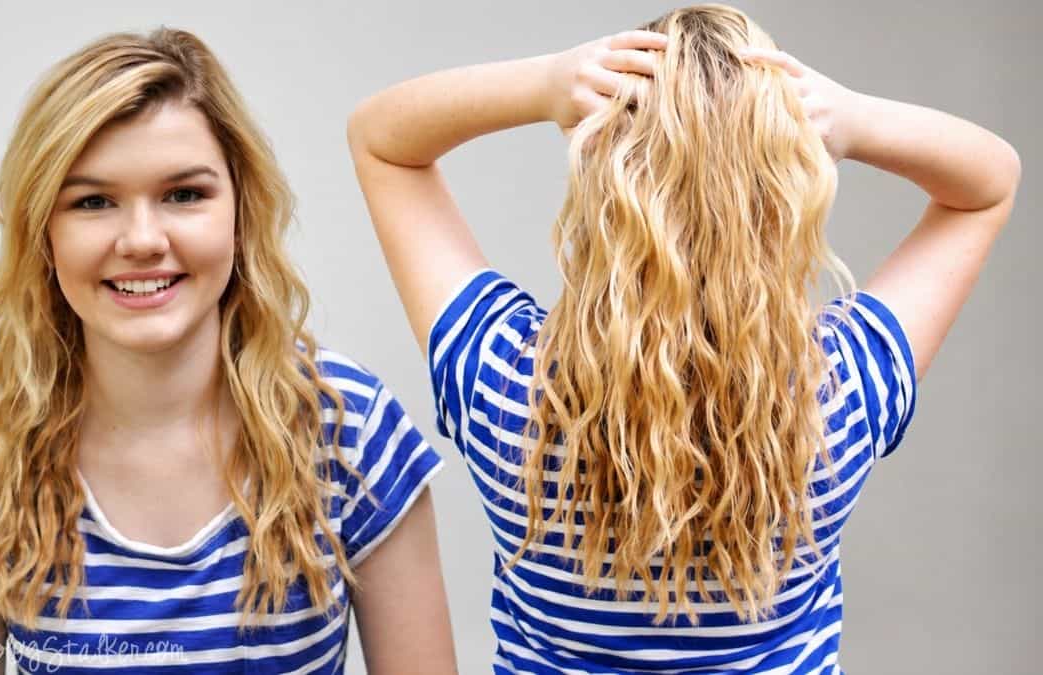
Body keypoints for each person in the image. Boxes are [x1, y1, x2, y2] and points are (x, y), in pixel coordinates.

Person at [347, 3, 1019, 673]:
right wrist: (852, 119)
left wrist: (545, 83)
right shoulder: (837, 397)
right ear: (782, 187)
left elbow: (380, 140)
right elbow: (989, 184)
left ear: (604, 180)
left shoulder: (506, 384)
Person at [0, 28, 456, 674]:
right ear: (43, 232)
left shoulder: (350, 429)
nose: (141, 239)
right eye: (93, 201)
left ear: (240, 210)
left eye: (184, 194)